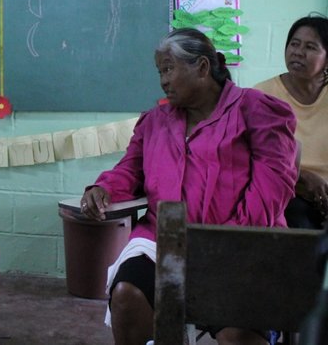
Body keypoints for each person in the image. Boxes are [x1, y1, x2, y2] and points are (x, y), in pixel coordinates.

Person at [81, 28, 298, 345]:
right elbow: (129, 169)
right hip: (162, 242)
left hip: (238, 245)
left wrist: (218, 244)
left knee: (237, 335)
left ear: (202, 67)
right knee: (128, 295)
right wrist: (104, 188)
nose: (163, 80)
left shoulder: (255, 109)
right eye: (160, 72)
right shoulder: (155, 121)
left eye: (168, 69)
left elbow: (272, 187)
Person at [255, 14, 328, 229]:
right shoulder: (262, 96)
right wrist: (301, 176)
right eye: (294, 44)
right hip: (287, 193)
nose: (298, 52)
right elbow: (252, 157)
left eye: (310, 47)